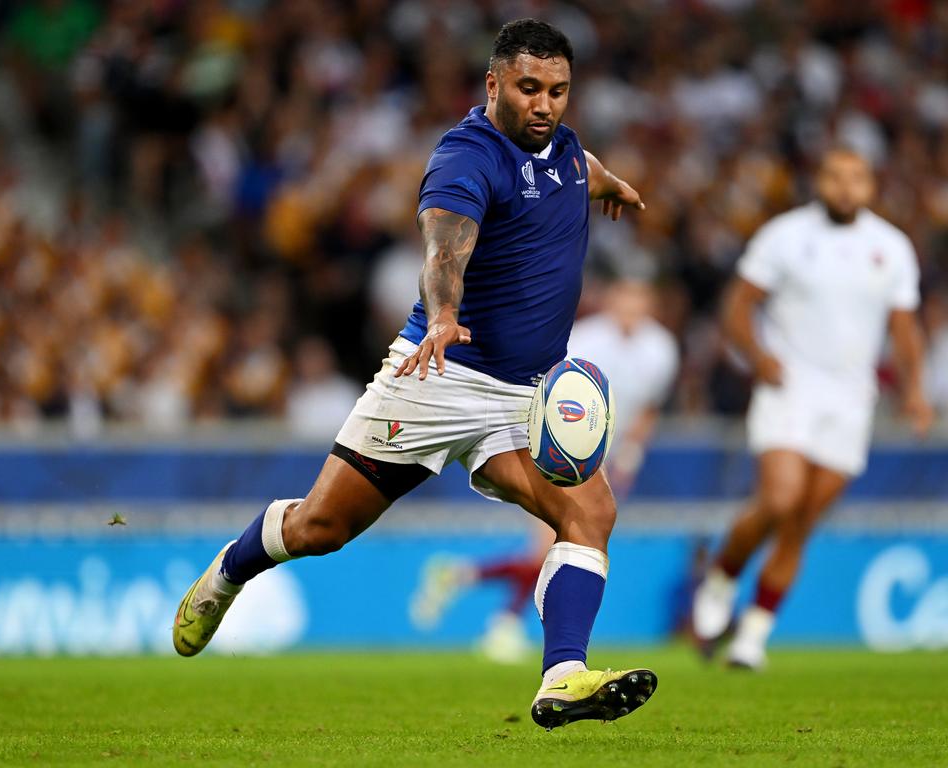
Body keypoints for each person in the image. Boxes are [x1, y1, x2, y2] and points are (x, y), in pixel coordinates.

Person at [173, 18, 658, 729]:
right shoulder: (466, 157)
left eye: (558, 90)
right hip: (439, 375)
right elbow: (443, 251)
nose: (545, 104)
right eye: (529, 88)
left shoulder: (566, 151)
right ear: (494, 84)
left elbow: (576, 171)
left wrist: (612, 184)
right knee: (321, 528)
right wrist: (441, 314)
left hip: (522, 395)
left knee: (590, 514)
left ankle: (562, 676)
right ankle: (226, 574)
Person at [692, 147, 934, 670]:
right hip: (790, 387)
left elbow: (904, 328)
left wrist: (914, 391)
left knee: (802, 520)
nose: (846, 188)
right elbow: (737, 305)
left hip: (850, 400)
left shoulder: (890, 247)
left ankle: (753, 634)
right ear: (819, 181)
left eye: (857, 179)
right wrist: (758, 358)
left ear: (871, 186)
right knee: (779, 499)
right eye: (835, 176)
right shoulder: (786, 236)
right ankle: (722, 577)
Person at [410, 277, 679, 662]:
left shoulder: (661, 348)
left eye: (640, 299)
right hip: (556, 452)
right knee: (553, 546)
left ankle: (463, 580)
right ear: (612, 299)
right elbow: (544, 389)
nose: (631, 307)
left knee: (557, 546)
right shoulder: (586, 339)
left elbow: (651, 407)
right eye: (625, 297)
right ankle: (504, 624)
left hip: (601, 457)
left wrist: (630, 455)